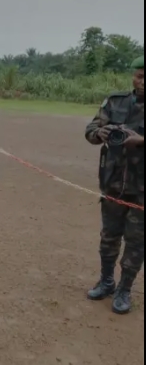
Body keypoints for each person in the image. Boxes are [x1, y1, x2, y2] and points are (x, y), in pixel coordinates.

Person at [85, 55, 144, 315]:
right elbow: (90, 129)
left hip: (142, 191)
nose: (143, 81)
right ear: (133, 76)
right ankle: (107, 281)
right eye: (140, 75)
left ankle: (124, 289)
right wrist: (100, 133)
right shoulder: (115, 101)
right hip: (113, 184)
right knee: (108, 237)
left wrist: (141, 141)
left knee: (136, 241)